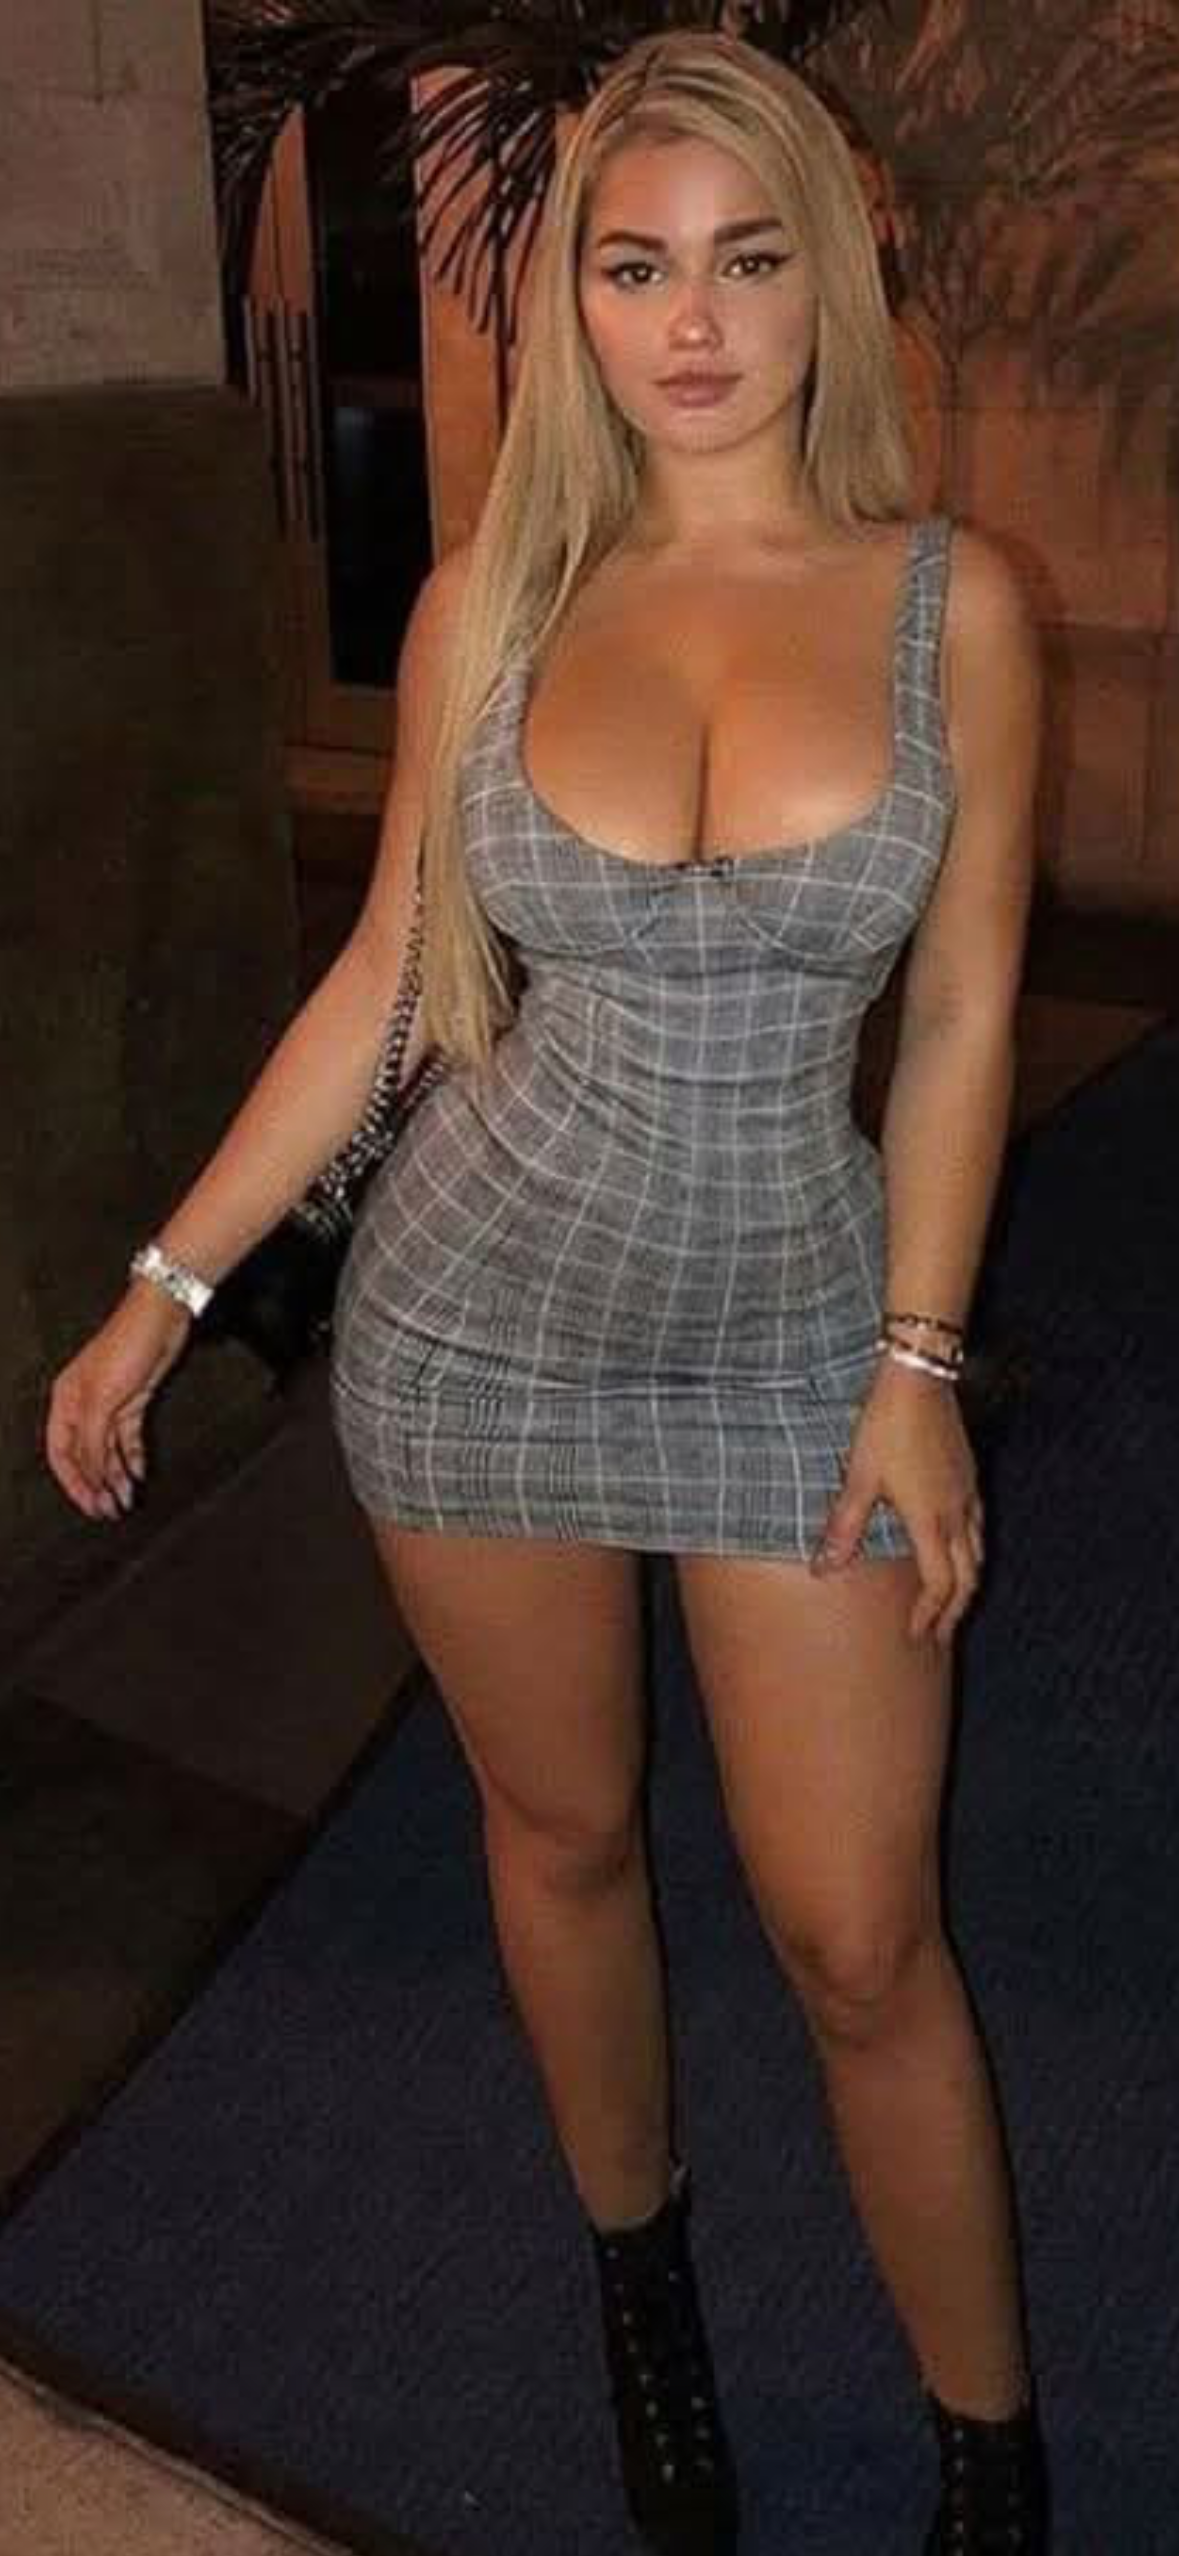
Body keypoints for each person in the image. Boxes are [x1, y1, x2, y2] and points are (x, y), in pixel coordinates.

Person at [45, 29, 1048, 2556]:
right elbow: (391, 983)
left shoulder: (950, 608)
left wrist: (919, 1366)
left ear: (827, 283)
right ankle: (642, 2289)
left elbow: (956, 1018)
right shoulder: (492, 596)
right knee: (561, 1834)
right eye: (631, 265)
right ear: (572, 303)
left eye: (744, 259)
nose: (688, 321)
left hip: (800, 1337)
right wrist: (168, 1283)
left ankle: (990, 2457)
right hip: (471, 1325)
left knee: (858, 1939)